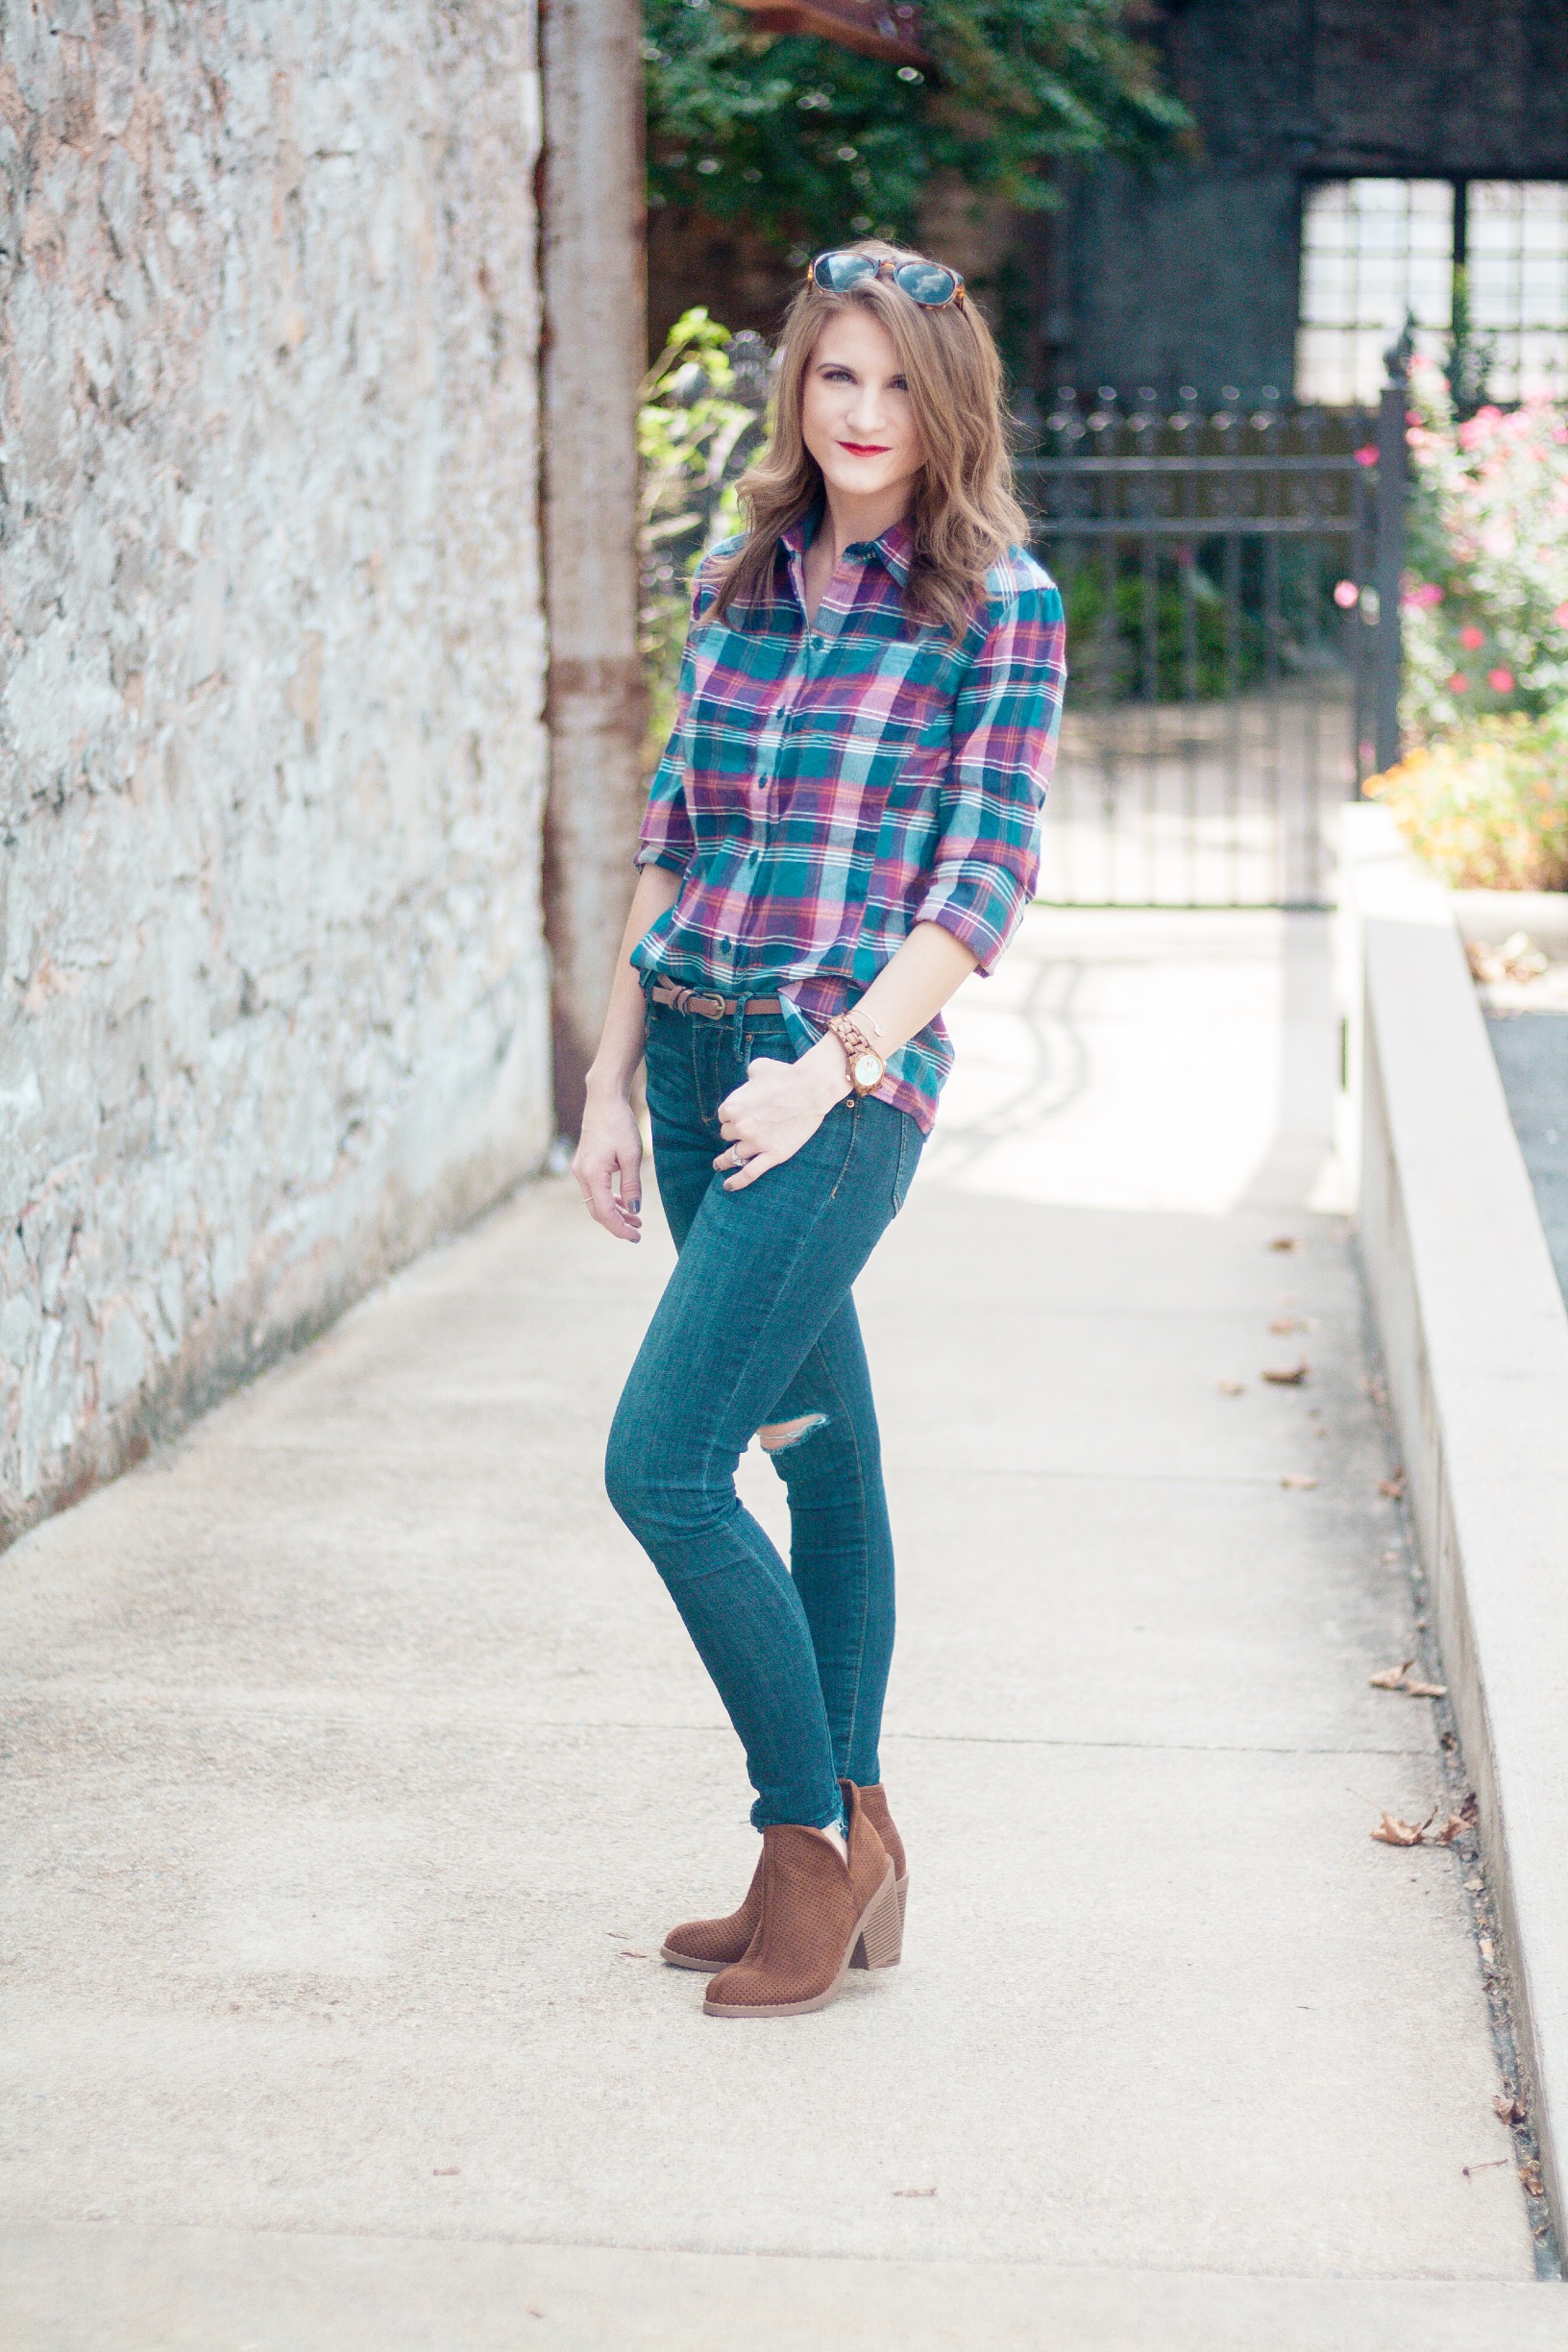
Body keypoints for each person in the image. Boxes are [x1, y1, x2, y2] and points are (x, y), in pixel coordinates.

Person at [573, 241, 1066, 2019]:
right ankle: (862, 1830)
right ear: (800, 388)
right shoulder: (745, 582)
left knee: (664, 1468)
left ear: (949, 407)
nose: (863, 414)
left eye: (897, 385)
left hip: (831, 1085)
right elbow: (674, 838)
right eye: (836, 375)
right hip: (695, 1063)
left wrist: (834, 1065)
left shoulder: (1000, 602)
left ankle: (806, 1841)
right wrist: (610, 1080)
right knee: (821, 1458)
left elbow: (979, 881)